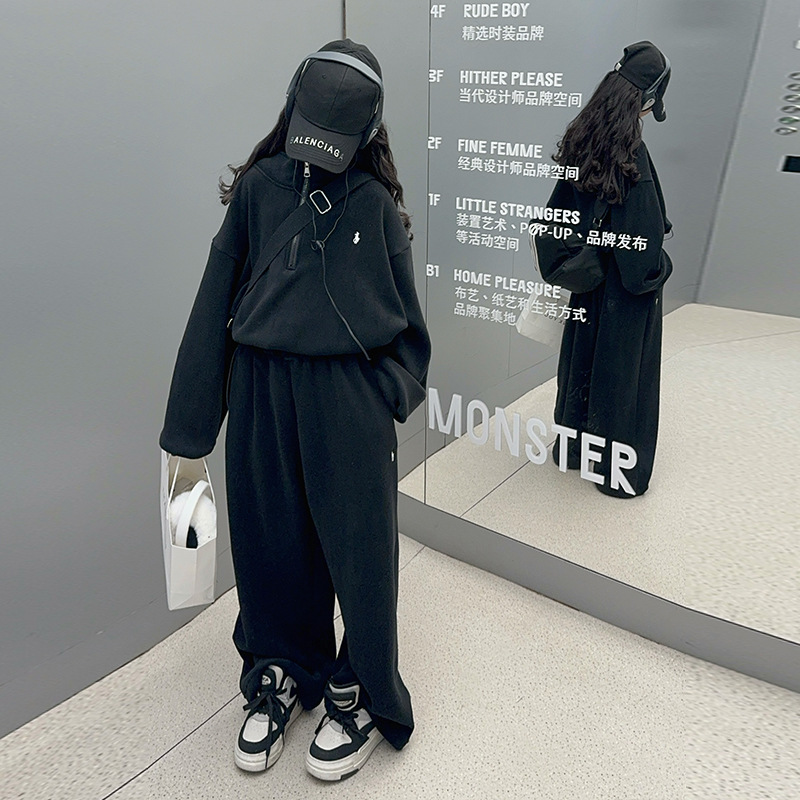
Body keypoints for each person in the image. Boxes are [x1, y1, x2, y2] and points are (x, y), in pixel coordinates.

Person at [159, 39, 430, 781]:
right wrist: (190, 427)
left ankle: (365, 690)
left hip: (347, 399)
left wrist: (385, 394)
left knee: (362, 556)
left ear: (367, 128)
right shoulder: (259, 189)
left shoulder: (374, 205)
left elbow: (409, 327)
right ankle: (280, 668)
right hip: (260, 391)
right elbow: (215, 299)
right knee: (269, 541)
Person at [547, 41, 673, 498]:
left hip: (589, 279)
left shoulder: (582, 140)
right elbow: (641, 259)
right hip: (622, 291)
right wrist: (661, 266)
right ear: (648, 99)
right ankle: (617, 475)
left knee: (581, 359)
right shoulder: (631, 155)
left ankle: (572, 449)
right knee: (622, 376)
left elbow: (560, 213)